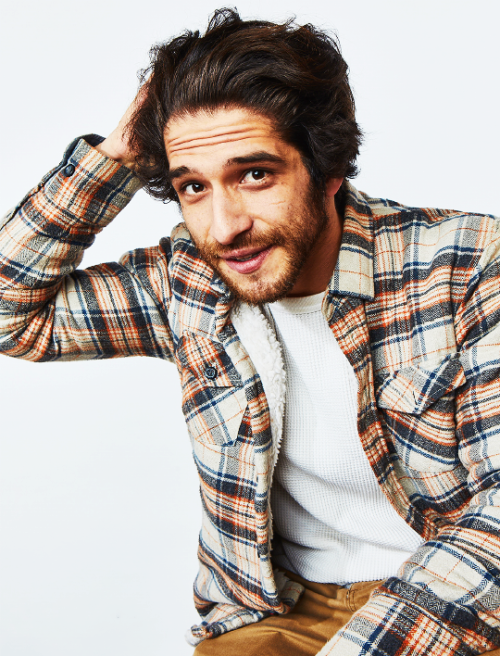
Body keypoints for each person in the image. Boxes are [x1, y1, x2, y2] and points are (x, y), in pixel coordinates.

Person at [1, 7, 500, 656]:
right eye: (193, 185)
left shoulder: (465, 263)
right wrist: (120, 153)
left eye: (254, 174)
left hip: (460, 596)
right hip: (276, 610)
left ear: (328, 169)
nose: (224, 224)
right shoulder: (186, 280)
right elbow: (13, 311)